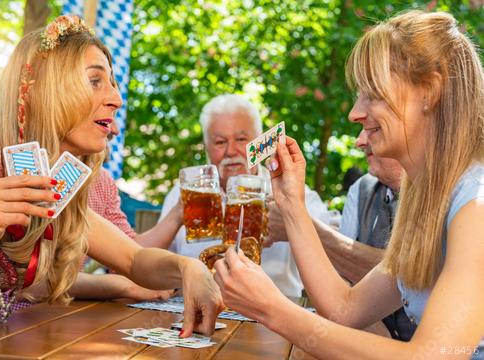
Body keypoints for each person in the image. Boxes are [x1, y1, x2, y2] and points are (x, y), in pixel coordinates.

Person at [213, 10, 484, 358]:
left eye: (372, 93)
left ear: (429, 91)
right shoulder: (428, 202)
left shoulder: (475, 205)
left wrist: (273, 309)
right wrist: (292, 203)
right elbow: (344, 308)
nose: (354, 112)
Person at [0, 15, 222, 333]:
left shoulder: (58, 187)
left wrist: (188, 267)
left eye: (113, 84)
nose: (116, 99)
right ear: (40, 90)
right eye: (95, 81)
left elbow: (134, 261)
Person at [157, 94, 336, 298]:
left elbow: (337, 252)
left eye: (241, 139)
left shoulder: (286, 189)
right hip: (196, 310)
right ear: (206, 147)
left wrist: (294, 220)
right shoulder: (187, 192)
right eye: (219, 142)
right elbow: (148, 262)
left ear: (260, 143)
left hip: (275, 318)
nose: (230, 151)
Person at [267, 129, 415, 341]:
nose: (359, 141)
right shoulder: (361, 190)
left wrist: (298, 220)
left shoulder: (460, 196)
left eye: (374, 129)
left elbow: (411, 274)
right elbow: (344, 293)